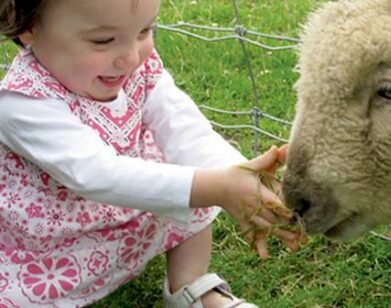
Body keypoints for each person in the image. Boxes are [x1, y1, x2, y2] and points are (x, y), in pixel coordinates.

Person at [0, 0, 299, 307]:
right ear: (26, 25)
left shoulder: (136, 66)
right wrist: (218, 186)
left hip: (129, 210)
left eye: (145, 30)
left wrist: (238, 175)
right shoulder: (22, 102)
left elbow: (182, 127)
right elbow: (94, 174)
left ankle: (189, 285)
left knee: (190, 172)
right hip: (56, 246)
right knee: (198, 184)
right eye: (103, 40)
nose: (130, 57)